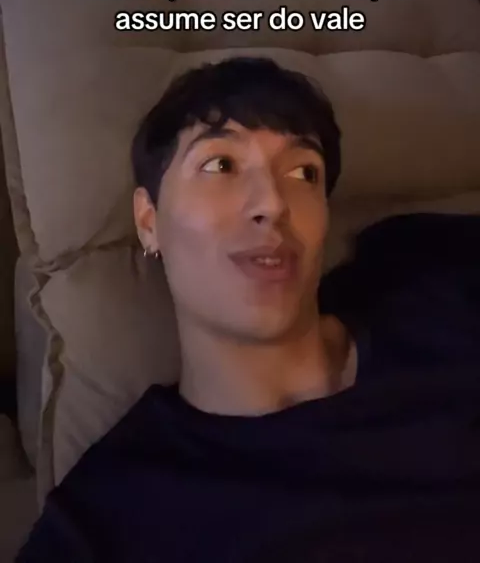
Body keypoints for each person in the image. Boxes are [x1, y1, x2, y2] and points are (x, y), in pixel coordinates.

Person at [16, 56, 480, 561]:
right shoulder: (111, 514)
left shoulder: (432, 289)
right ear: (149, 221)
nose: (274, 203)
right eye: (221, 165)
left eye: (304, 172)